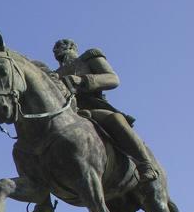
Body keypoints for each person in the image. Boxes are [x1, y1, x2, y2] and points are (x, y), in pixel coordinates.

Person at [52, 38, 158, 181]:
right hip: (68, 114)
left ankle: (145, 164)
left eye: (61, 45)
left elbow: (113, 79)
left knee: (115, 120)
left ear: (72, 47)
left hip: (92, 108)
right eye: (55, 48)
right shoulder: (54, 74)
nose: (57, 49)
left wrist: (83, 81)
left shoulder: (88, 56)